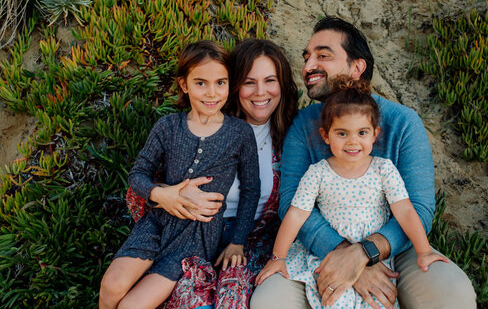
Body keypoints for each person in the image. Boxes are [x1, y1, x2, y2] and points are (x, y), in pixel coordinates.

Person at [250, 17, 476, 309]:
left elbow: (417, 209)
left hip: (394, 247)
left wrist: (364, 255)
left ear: (357, 67)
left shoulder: (403, 123)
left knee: (451, 295)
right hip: (317, 249)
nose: (307, 67)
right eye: (307, 58)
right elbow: (292, 206)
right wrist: (344, 256)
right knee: (270, 303)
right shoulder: (304, 126)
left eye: (323, 55)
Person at [124, 39, 299, 308]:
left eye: (270, 80)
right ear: (233, 84)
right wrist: (168, 197)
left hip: (251, 244)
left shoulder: (294, 138)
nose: (260, 92)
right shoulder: (204, 126)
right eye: (249, 82)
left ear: (282, 84)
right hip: (188, 234)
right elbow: (142, 184)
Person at [255, 77, 449, 308]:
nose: (353, 142)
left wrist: (424, 250)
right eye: (342, 133)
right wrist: (278, 258)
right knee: (335, 298)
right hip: (327, 255)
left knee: (377, 302)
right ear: (326, 136)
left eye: (362, 133)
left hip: (376, 257)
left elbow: (405, 210)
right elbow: (296, 215)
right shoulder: (318, 173)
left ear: (375, 134)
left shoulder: (383, 169)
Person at [99, 41, 261, 309]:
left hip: (195, 237)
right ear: (184, 85)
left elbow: (251, 190)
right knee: (111, 287)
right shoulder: (168, 126)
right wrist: (161, 194)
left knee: (132, 306)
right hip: (157, 223)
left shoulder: (240, 133)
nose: (212, 93)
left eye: (220, 83)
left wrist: (237, 241)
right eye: (201, 83)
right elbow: (138, 173)